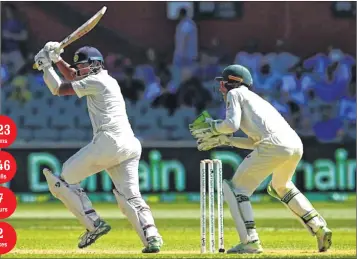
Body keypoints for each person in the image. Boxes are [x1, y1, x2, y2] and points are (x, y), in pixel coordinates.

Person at [33, 42, 163, 253]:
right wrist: (56, 59)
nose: (79, 69)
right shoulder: (103, 80)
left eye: (83, 65)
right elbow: (74, 76)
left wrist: (45, 66)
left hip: (109, 142)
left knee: (62, 180)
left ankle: (93, 224)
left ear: (95, 64)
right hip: (129, 144)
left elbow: (58, 88)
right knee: (130, 196)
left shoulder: (96, 80)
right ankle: (152, 237)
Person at [190, 64, 332, 254]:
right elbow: (255, 142)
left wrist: (215, 128)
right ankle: (318, 226)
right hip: (293, 144)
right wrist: (226, 140)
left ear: (234, 81)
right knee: (280, 186)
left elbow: (231, 124)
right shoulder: (256, 100)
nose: (220, 88)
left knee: (235, 189)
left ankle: (250, 241)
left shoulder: (235, 94)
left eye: (223, 83)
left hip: (273, 145)